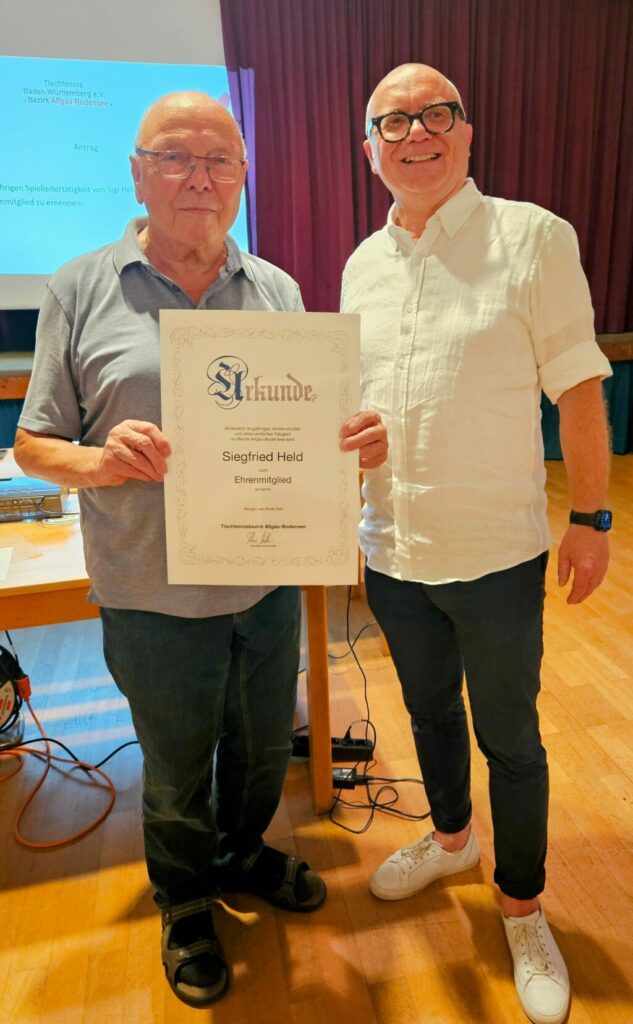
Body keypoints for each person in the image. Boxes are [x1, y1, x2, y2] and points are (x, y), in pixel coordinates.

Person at [15, 91, 388, 1010]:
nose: (198, 177)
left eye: (219, 160)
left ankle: (243, 853)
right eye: (175, 157)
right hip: (151, 592)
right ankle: (184, 900)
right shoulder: (78, 287)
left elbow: (305, 427)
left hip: (264, 583)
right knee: (177, 767)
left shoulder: (276, 291)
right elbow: (34, 444)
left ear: (243, 177)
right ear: (137, 174)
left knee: (259, 753)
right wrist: (101, 460)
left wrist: (351, 440)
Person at [341, 64, 612, 1024]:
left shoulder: (533, 237)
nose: (415, 132)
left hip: (496, 553)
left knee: (511, 739)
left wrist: (590, 519)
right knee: (426, 715)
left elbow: (579, 386)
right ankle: (452, 840)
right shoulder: (361, 266)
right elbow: (361, 401)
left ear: (465, 133)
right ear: (367, 149)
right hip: (391, 548)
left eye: (436, 114)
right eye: (393, 121)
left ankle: (522, 904)